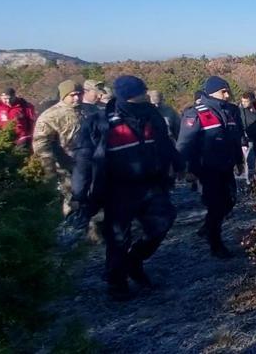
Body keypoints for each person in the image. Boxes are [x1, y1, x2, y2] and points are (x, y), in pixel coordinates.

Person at [71, 75, 183, 300]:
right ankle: (116, 282)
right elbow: (84, 161)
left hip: (151, 183)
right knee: (118, 237)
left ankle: (134, 261)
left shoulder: (152, 116)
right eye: (140, 93)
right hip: (117, 189)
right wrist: (79, 195)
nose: (144, 96)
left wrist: (180, 165)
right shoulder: (99, 122)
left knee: (163, 221)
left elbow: (165, 143)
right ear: (128, 96)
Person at [177, 76, 244, 258]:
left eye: (228, 90)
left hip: (226, 167)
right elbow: (185, 144)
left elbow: (234, 139)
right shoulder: (196, 114)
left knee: (229, 201)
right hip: (207, 169)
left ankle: (208, 228)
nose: (227, 94)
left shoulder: (229, 112)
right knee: (216, 205)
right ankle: (216, 244)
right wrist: (186, 169)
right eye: (223, 91)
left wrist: (239, 160)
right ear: (212, 92)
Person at [32, 80, 85, 216]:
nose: (77, 98)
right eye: (72, 95)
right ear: (63, 95)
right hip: (66, 165)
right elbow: (41, 144)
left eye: (79, 94)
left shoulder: (89, 110)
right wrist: (49, 169)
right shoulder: (50, 116)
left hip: (91, 163)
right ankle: (70, 226)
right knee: (72, 199)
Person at [238, 92, 256, 186]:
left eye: (246, 101)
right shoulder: (240, 111)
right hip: (246, 138)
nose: (244, 103)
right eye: (242, 101)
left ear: (251, 100)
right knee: (249, 159)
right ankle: (249, 180)